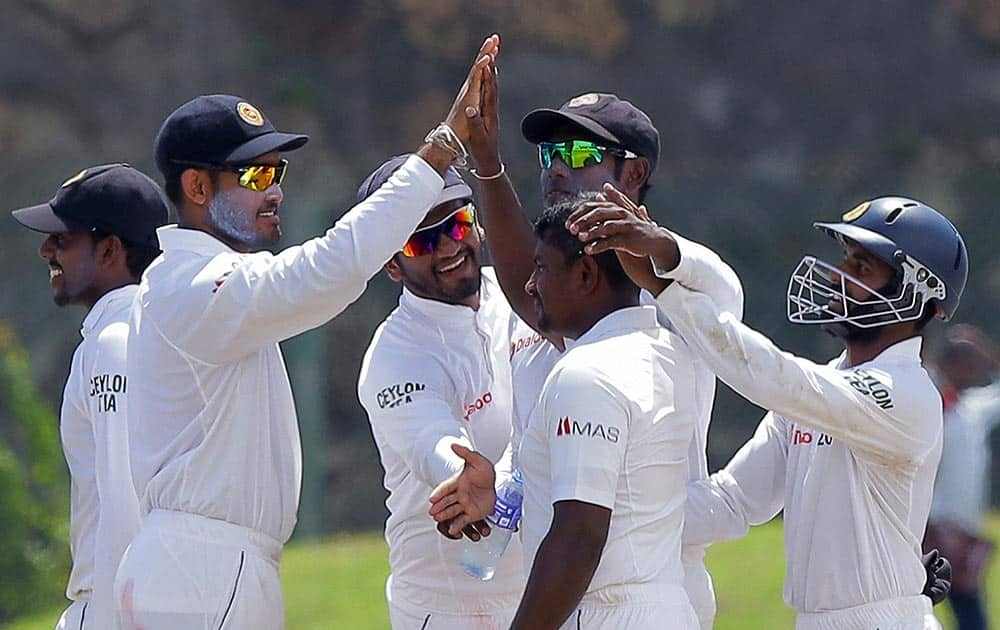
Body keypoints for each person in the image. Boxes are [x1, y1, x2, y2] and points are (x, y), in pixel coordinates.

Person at [113, 36, 501, 629]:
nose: (275, 190)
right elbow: (329, 269)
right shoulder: (191, 286)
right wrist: (442, 148)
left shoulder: (197, 281)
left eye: (278, 170)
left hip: (209, 564)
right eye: (255, 173)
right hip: (203, 567)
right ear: (196, 188)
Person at [566, 192, 968, 628]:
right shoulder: (817, 397)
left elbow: (774, 377)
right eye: (847, 260)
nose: (839, 277)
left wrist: (666, 287)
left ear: (917, 295)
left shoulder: (906, 394)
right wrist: (601, 516)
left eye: (862, 267)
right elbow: (734, 501)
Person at [432, 80, 739, 629]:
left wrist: (653, 243)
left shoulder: (683, 290)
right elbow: (534, 285)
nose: (555, 169)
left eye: (580, 154)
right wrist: (488, 165)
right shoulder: (566, 312)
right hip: (573, 594)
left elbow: (714, 284)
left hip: (648, 584)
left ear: (635, 174)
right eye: (550, 154)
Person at [356, 156, 525, 629]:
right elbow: (432, 441)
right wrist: (463, 474)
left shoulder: (523, 296)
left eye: (457, 223)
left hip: (542, 594)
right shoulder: (394, 355)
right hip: (445, 607)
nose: (447, 246)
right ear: (390, 264)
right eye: (420, 239)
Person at [11, 164, 168, 630]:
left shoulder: (114, 341)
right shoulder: (140, 331)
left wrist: (109, 617)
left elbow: (123, 498)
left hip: (111, 606)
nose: (46, 250)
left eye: (63, 238)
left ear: (110, 250)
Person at [925, 324, 1000, 629]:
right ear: (950, 365)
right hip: (932, 529)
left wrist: (984, 348)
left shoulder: (973, 409)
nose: (972, 370)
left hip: (964, 531)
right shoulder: (928, 403)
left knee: (969, 611)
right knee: (912, 607)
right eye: (966, 363)